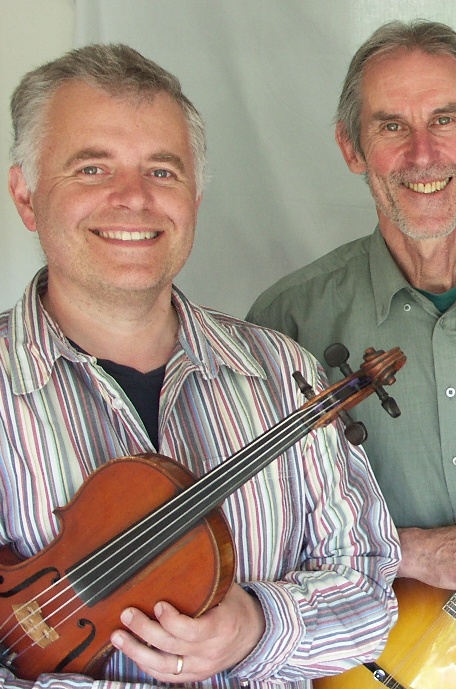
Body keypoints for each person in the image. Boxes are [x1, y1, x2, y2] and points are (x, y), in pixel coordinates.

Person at [1, 44, 400, 689]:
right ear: (26, 195)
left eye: (162, 171)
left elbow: (371, 594)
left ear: (194, 196)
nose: (134, 199)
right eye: (93, 168)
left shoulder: (283, 373)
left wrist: (256, 626)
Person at [247, 20, 456, 689]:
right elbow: (261, 534)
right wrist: (418, 552)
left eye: (444, 120)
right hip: (376, 672)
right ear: (351, 147)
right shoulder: (286, 321)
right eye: (391, 126)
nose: (422, 154)